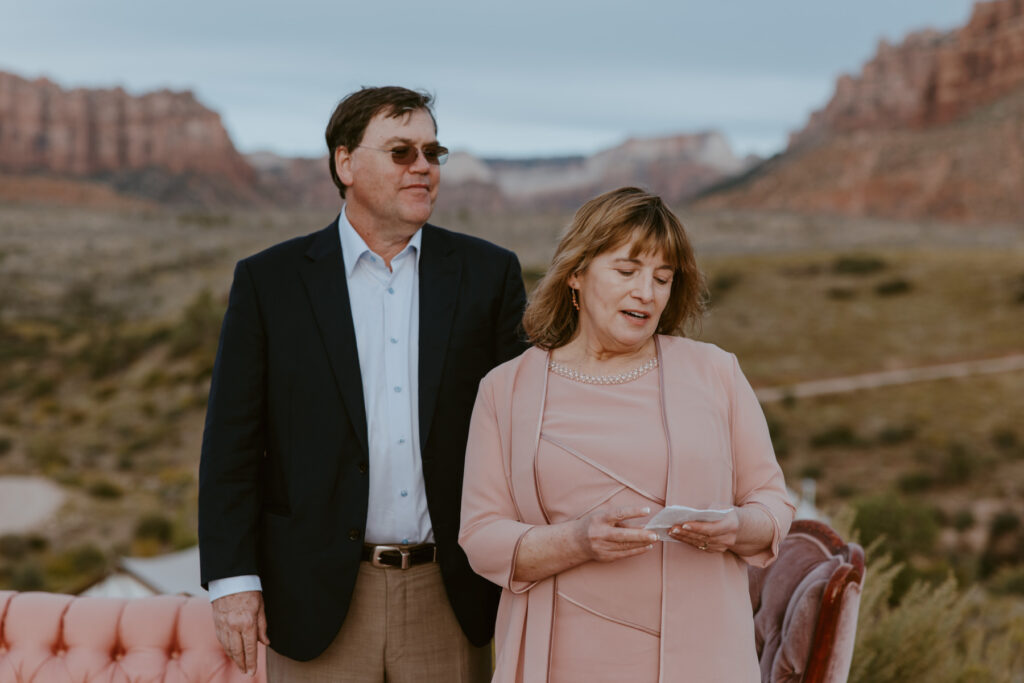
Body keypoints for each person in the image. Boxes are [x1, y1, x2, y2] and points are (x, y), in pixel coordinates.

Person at [198, 86, 527, 682]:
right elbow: (232, 443)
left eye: (433, 151)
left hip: (449, 595)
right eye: (402, 152)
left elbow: (525, 425)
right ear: (345, 163)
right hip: (313, 596)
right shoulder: (269, 283)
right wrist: (232, 581)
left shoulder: (489, 274)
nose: (423, 166)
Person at [459, 187, 795, 682]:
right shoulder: (505, 390)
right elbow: (481, 535)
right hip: (561, 662)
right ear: (576, 273)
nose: (647, 292)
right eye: (627, 271)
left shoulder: (716, 372)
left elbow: (772, 503)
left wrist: (737, 527)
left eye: (663, 278)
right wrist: (577, 541)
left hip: (702, 659)